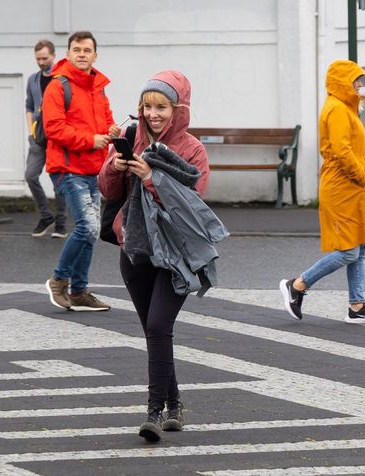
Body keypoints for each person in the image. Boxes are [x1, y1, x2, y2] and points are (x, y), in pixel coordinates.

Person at [99, 71, 220, 442]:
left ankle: (154, 412)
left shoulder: (192, 149)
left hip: (176, 254)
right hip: (134, 251)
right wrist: (113, 167)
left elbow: (191, 203)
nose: (153, 114)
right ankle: (176, 403)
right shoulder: (131, 138)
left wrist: (152, 176)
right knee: (155, 333)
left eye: (161, 107)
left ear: (177, 109)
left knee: (157, 327)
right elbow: (106, 190)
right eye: (147, 106)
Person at [279, 60, 365, 325]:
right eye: (356, 80)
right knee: (349, 250)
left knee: (360, 246)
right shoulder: (338, 109)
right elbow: (341, 151)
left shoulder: (344, 107)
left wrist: (363, 180)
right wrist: (363, 176)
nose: (360, 85)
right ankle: (298, 285)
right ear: (343, 83)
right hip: (343, 187)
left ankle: (357, 306)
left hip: (351, 188)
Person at [43, 31, 120, 312]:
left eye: (87, 50)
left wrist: (110, 131)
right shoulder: (58, 86)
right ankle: (59, 280)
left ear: (95, 55)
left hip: (93, 169)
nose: (82, 54)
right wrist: (91, 139)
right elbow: (53, 128)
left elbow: (106, 120)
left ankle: (79, 292)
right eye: (77, 49)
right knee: (87, 226)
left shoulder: (98, 87)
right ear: (68, 52)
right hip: (67, 168)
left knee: (91, 230)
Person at [25, 39, 67, 238]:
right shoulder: (33, 80)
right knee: (30, 175)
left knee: (58, 179)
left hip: (57, 137)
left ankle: (61, 223)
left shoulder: (61, 78)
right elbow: (29, 106)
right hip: (38, 136)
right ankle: (45, 215)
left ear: (53, 56)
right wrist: (31, 130)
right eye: (38, 59)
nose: (41, 62)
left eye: (45, 58)